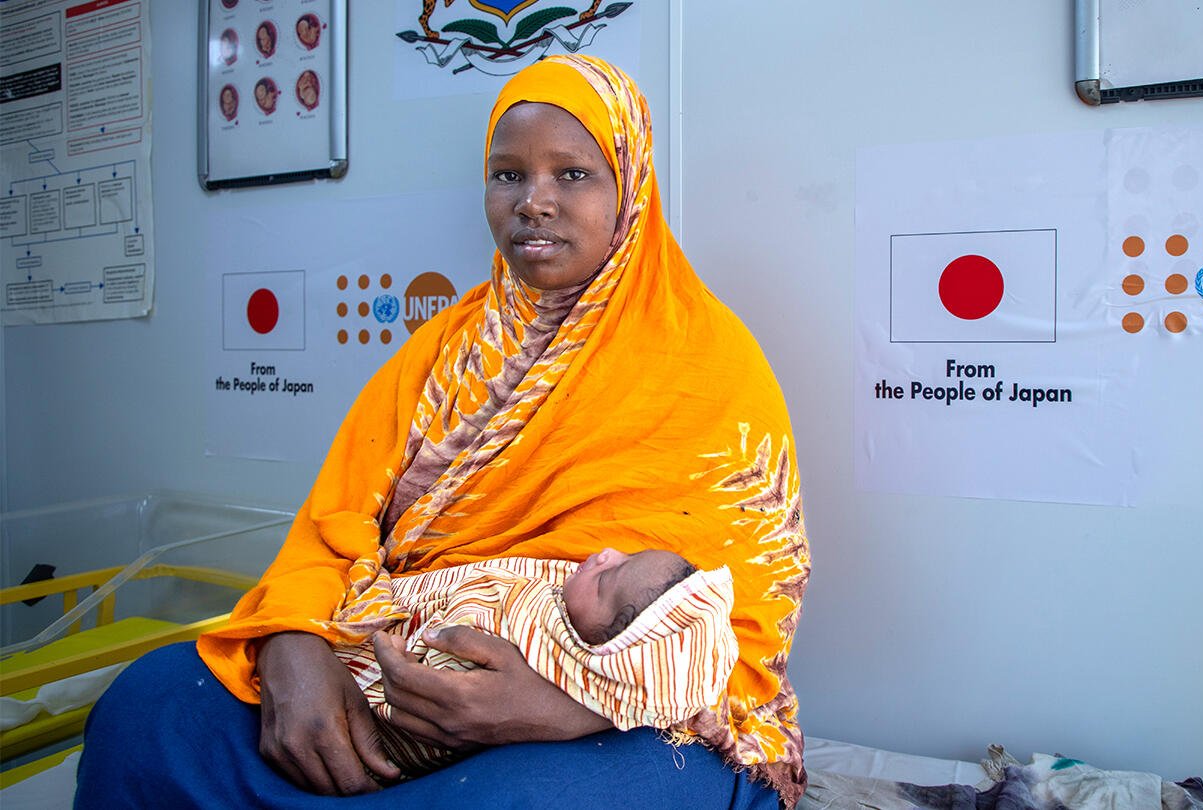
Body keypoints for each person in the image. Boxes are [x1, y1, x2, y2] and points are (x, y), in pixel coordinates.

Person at [76, 54, 809, 809]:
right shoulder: (442, 354)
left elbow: (745, 619)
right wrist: (293, 643)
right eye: (508, 174)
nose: (534, 202)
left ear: (631, 184)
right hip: (400, 666)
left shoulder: (711, 359)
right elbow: (333, 528)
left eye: (574, 175)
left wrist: (567, 708)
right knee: (145, 711)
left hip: (608, 715)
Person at [330, 548, 739, 776]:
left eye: (605, 580)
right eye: (625, 555)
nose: (604, 554)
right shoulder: (576, 595)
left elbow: (439, 669)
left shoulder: (549, 642)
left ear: (607, 658)